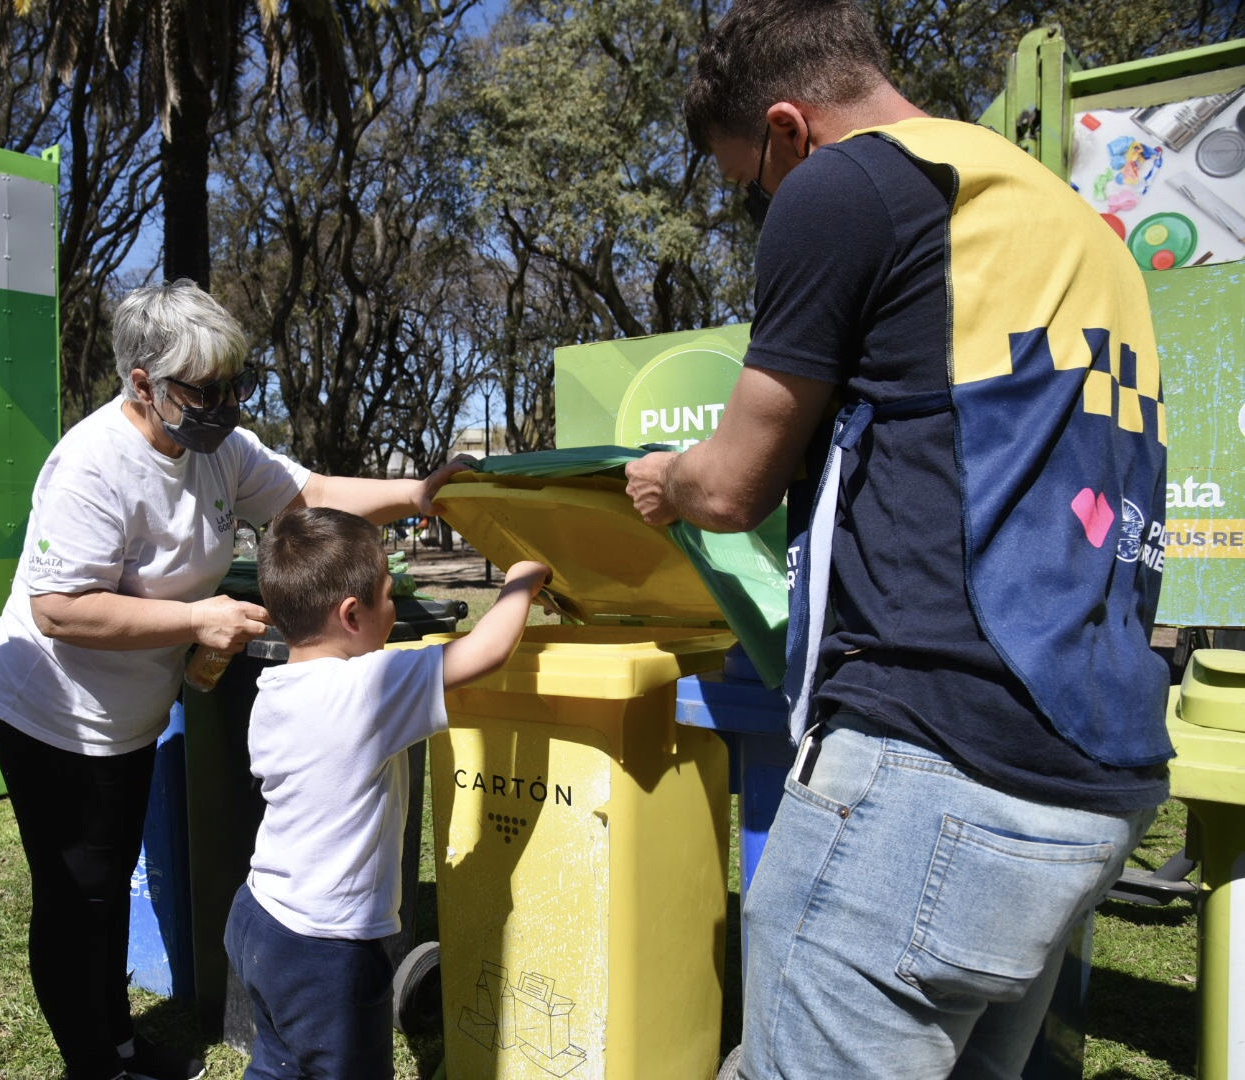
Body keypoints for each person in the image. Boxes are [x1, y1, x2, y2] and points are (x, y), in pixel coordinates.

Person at [623, 2, 1173, 1076]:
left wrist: (668, 479)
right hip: (1091, 771)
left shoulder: (845, 184)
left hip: (933, 763)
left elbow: (732, 486)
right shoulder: (1054, 214)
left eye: (751, 184)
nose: (762, 207)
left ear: (788, 128)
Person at [0, 280, 471, 1080]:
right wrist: (196, 619)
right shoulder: (93, 465)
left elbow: (312, 495)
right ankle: (97, 1063)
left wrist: (419, 494)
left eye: (237, 384)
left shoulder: (219, 448)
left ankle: (119, 1044)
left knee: (105, 889)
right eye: (206, 389)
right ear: (143, 383)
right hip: (54, 710)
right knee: (78, 896)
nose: (227, 404)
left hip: (128, 709)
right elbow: (58, 608)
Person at [222, 507, 551, 1080]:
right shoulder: (367, 688)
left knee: (277, 1066)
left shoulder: (272, 687)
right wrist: (523, 578)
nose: (395, 608)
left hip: (259, 919)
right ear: (352, 614)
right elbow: (487, 650)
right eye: (389, 595)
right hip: (326, 952)